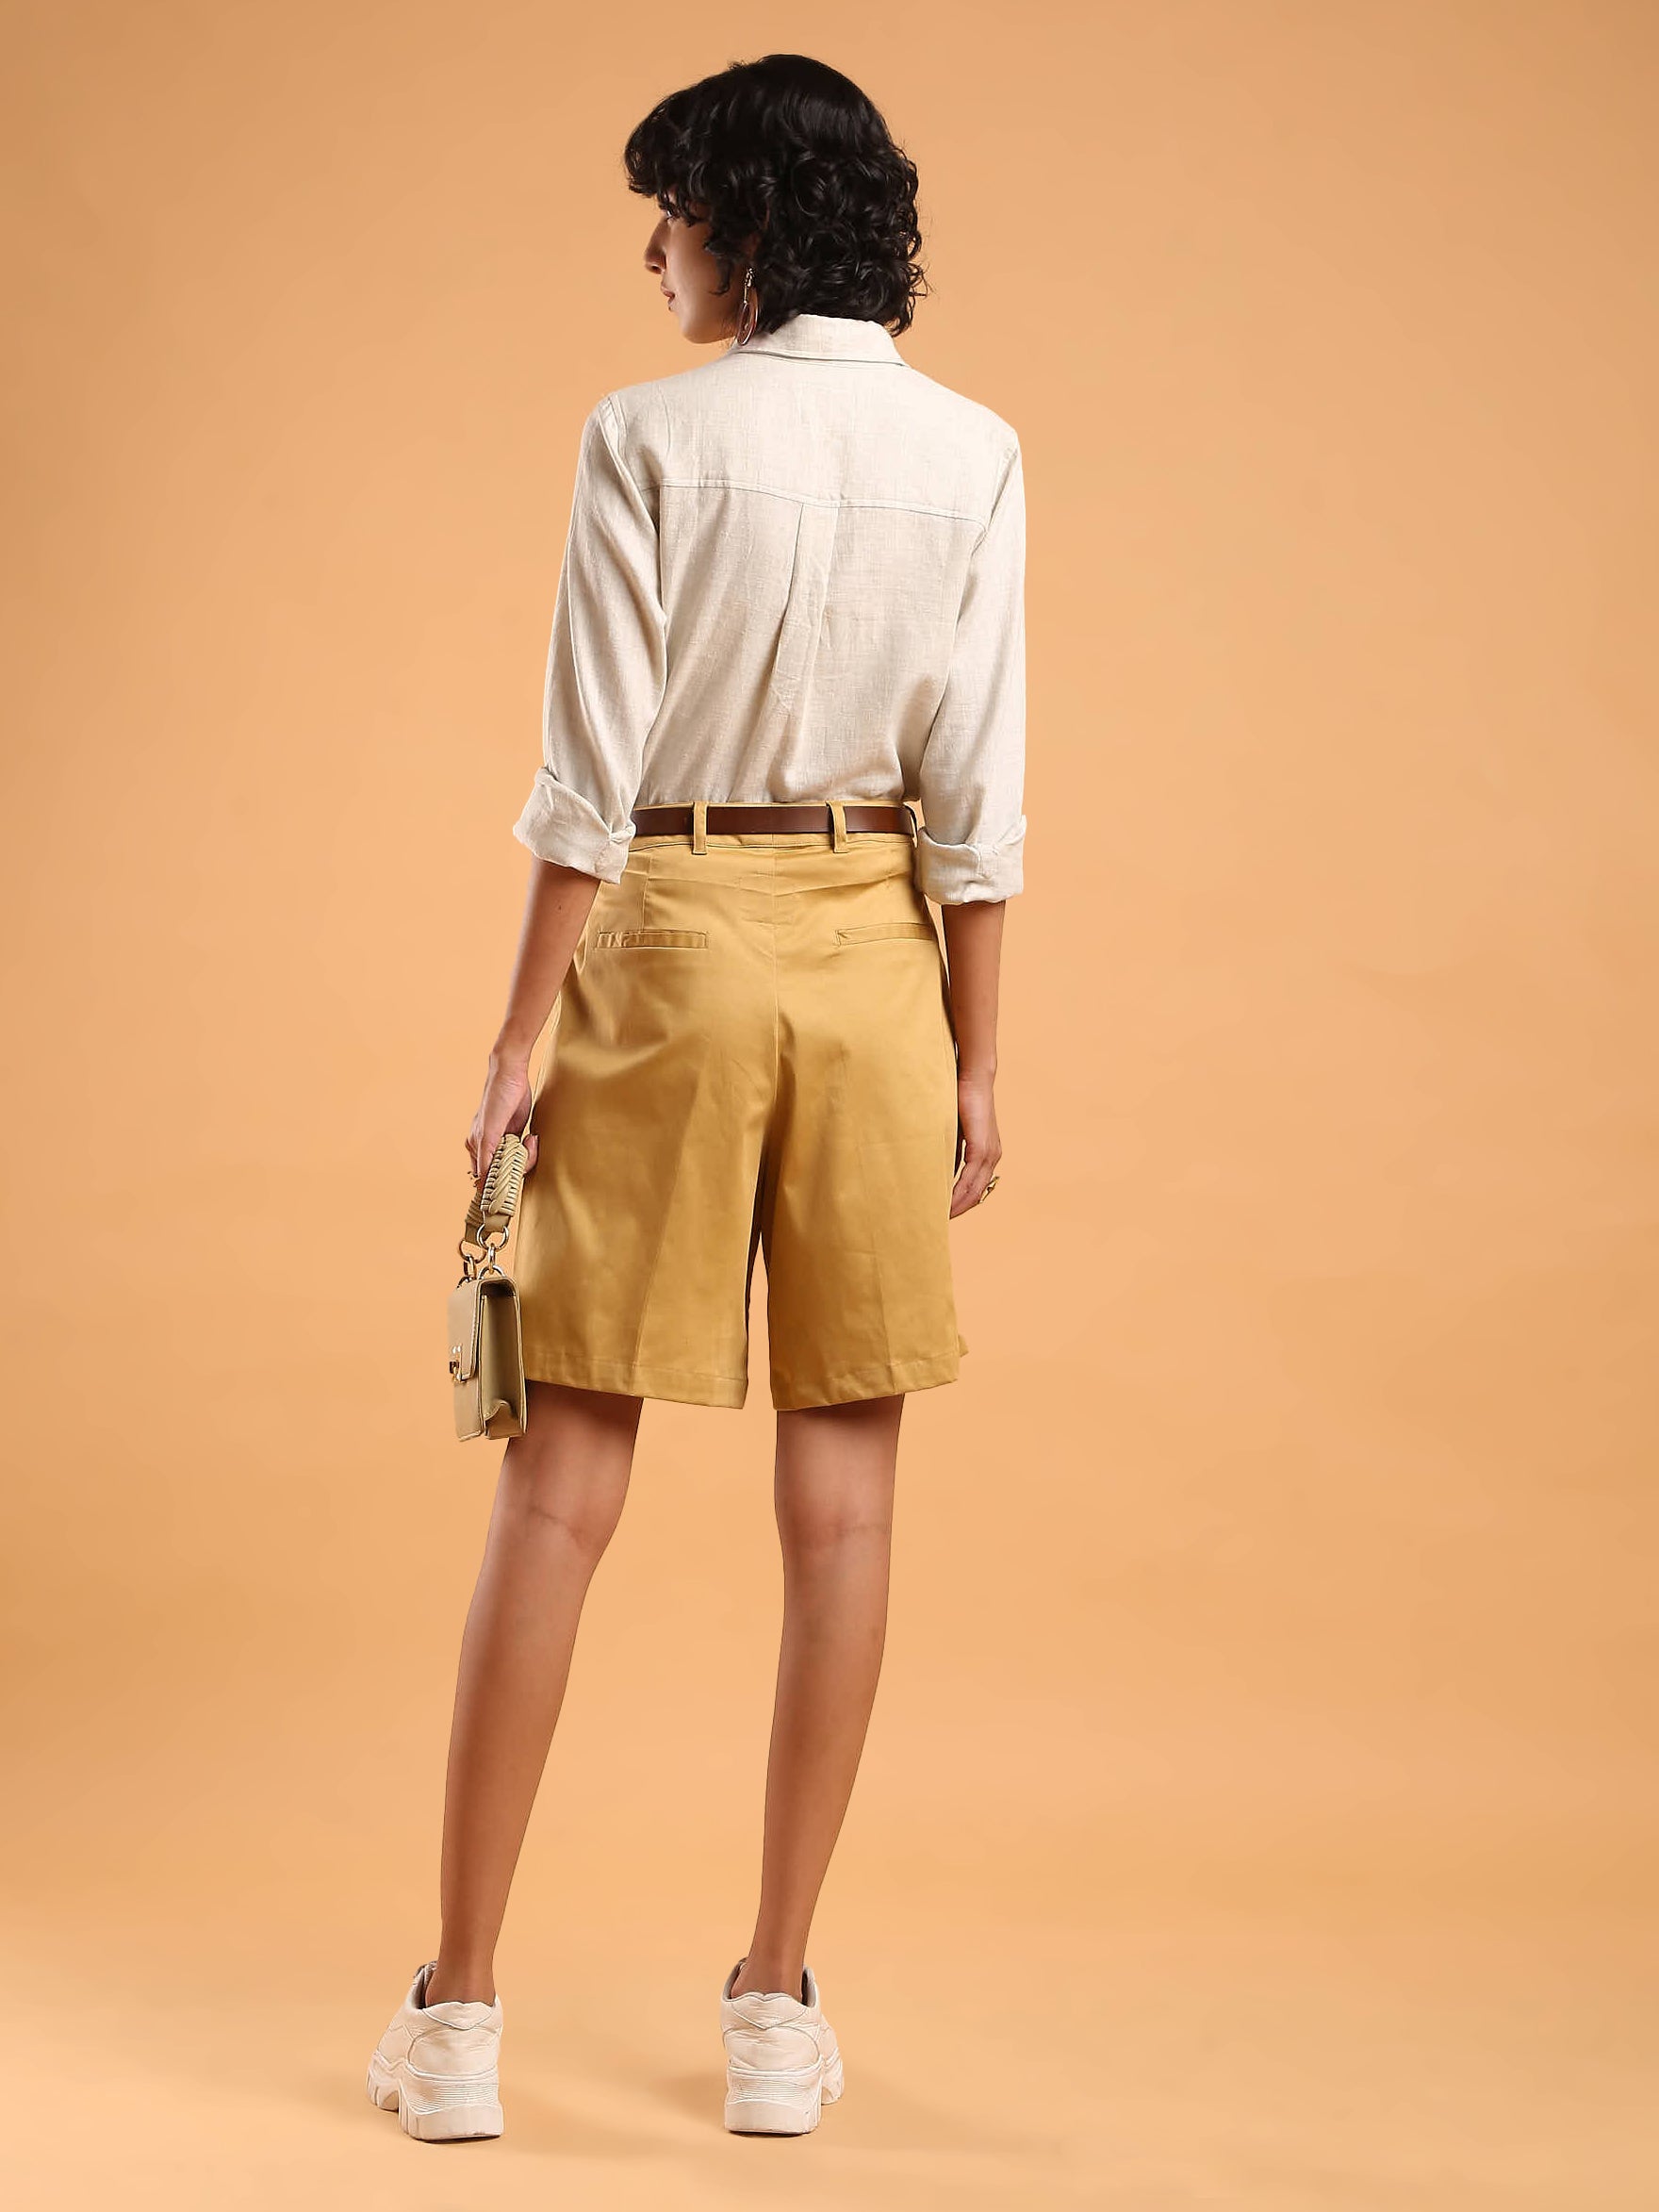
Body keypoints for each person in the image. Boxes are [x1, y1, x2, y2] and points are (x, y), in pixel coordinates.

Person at [368, 51, 1026, 2144]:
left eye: (667, 211)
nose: (652, 249)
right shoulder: (974, 451)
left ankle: (459, 2017)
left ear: (740, 222)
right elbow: (977, 793)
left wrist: (516, 1033)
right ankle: (771, 2005)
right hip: (877, 959)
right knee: (847, 1509)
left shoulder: (646, 436)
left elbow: (589, 770)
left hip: (666, 931)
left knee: (559, 1487)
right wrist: (980, 1051)